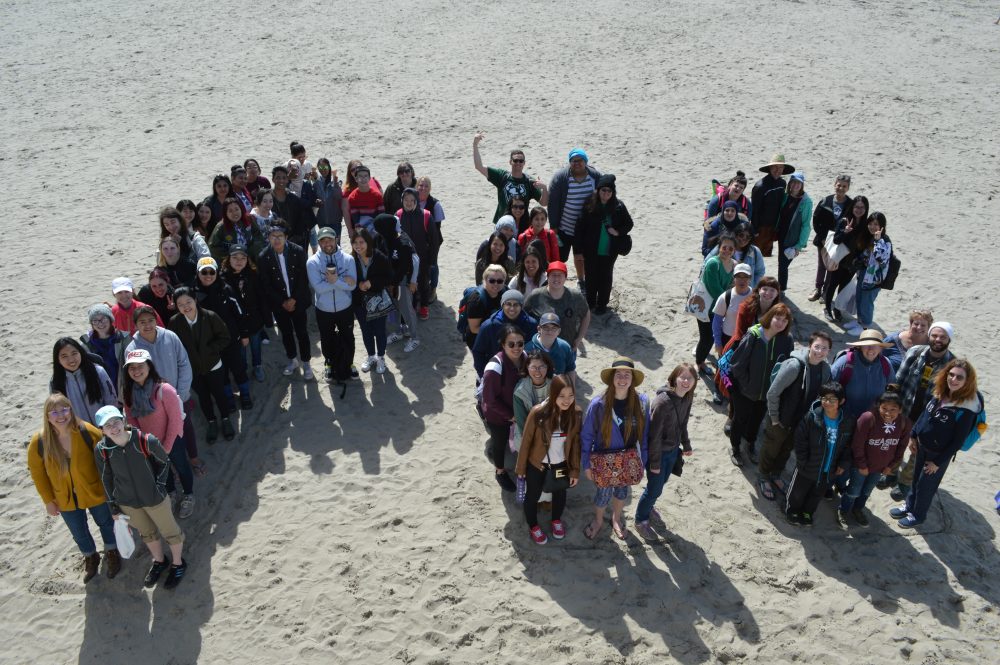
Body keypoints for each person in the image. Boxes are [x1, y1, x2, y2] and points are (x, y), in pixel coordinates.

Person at [93, 406, 187, 589]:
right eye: (107, 425)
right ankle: (160, 561)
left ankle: (178, 563)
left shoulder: (146, 441)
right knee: (147, 534)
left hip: (155, 499)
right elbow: (106, 478)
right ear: (102, 430)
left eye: (116, 421)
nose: (114, 427)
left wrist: (158, 487)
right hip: (128, 503)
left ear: (123, 420)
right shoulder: (102, 450)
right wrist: (113, 506)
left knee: (171, 532)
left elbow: (164, 463)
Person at [28, 394, 120, 582]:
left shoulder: (86, 431)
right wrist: (48, 500)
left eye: (64, 409)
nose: (60, 415)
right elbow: (38, 474)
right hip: (64, 497)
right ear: (47, 416)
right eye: (54, 412)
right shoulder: (39, 442)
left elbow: (107, 456)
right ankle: (90, 556)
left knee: (106, 523)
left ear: (71, 410)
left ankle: (112, 552)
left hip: (94, 490)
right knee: (79, 531)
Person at [890, 359, 983, 528]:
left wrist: (937, 463)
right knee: (915, 480)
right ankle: (909, 506)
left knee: (926, 487)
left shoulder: (966, 409)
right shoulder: (941, 393)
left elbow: (957, 442)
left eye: (959, 378)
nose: (953, 380)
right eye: (951, 374)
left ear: (967, 381)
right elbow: (924, 416)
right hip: (921, 447)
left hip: (937, 456)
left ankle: (918, 515)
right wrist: (913, 435)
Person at [758, 331, 833, 499]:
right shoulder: (794, 366)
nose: (820, 351)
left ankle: (776, 474)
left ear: (829, 351)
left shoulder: (825, 370)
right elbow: (773, 393)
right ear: (809, 346)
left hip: (801, 422)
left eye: (825, 348)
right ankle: (763, 477)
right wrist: (775, 418)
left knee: (786, 450)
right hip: (780, 420)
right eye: (817, 347)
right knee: (771, 448)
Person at [125, 307, 200, 476]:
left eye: (150, 320)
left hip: (179, 395)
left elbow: (184, 363)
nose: (147, 325)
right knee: (165, 433)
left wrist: (179, 394)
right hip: (154, 402)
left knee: (185, 427)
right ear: (135, 325)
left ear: (156, 320)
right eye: (142, 322)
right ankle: (172, 464)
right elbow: (133, 376)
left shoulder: (170, 337)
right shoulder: (131, 348)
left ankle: (194, 459)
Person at [885, 321, 956, 499]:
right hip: (906, 408)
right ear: (929, 336)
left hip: (928, 416)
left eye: (943, 337)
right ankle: (891, 473)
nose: (938, 339)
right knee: (896, 442)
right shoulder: (915, 352)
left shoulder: (952, 365)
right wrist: (892, 404)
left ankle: (905, 482)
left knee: (917, 451)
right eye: (934, 335)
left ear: (949, 339)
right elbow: (899, 379)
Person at [580, 357, 649, 540]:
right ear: (612, 378)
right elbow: (586, 436)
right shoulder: (598, 404)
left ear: (632, 379)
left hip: (628, 459)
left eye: (627, 374)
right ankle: (598, 520)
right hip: (603, 459)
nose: (623, 378)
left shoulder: (641, 402)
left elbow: (644, 436)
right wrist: (586, 464)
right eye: (618, 374)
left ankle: (617, 519)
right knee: (602, 494)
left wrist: (643, 462)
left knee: (622, 492)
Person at [121, 349, 195, 520]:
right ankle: (171, 492)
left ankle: (189, 494)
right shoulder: (128, 393)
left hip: (172, 440)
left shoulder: (164, 389)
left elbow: (176, 421)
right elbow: (132, 419)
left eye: (140, 366)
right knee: (162, 470)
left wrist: (166, 447)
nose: (136, 370)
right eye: (131, 367)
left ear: (149, 366)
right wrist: (143, 442)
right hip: (150, 443)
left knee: (182, 466)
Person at [515, 375, 582, 545]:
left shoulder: (576, 413)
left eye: (571, 395)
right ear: (553, 395)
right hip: (537, 464)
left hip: (561, 464)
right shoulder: (538, 412)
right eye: (561, 396)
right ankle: (533, 525)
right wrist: (521, 469)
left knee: (560, 492)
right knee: (533, 495)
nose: (567, 400)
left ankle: (556, 520)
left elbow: (575, 444)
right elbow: (526, 442)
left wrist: (574, 470)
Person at [727, 303, 794, 466]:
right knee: (740, 420)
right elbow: (737, 365)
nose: (780, 323)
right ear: (770, 316)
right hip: (744, 391)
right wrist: (747, 385)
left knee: (756, 420)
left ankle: (750, 444)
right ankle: (735, 447)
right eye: (777, 318)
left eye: (784, 321)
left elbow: (787, 366)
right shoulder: (754, 335)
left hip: (767, 394)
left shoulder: (786, 340)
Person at [634, 363, 696, 541]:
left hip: (673, 451)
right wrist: (653, 463)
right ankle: (640, 520)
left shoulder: (687, 397)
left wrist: (687, 444)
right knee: (654, 488)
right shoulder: (662, 402)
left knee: (660, 486)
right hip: (658, 454)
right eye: (682, 377)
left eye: (689, 378)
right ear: (674, 378)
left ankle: (649, 505)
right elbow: (653, 436)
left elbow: (683, 423)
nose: (685, 381)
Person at [167, 288, 236, 442]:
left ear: (195, 300)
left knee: (219, 394)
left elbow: (225, 337)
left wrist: (210, 349)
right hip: (191, 370)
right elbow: (172, 346)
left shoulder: (210, 316)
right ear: (176, 306)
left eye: (188, 301)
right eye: (180, 304)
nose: (186, 306)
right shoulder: (174, 322)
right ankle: (211, 422)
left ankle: (225, 419)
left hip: (213, 365)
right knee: (203, 397)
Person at [837, 388, 912, 528]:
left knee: (866, 492)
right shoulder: (868, 418)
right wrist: (862, 465)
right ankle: (843, 510)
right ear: (878, 406)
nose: (888, 413)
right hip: (861, 466)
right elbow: (857, 445)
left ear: (900, 410)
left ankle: (858, 509)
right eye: (884, 408)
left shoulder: (904, 423)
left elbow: (901, 447)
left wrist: (891, 466)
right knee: (854, 491)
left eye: (893, 409)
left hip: (881, 467)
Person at [785, 382, 856, 526]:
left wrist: (843, 463)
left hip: (829, 469)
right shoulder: (812, 417)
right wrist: (803, 460)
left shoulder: (847, 421)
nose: (827, 402)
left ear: (841, 401)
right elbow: (800, 439)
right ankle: (792, 510)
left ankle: (807, 512)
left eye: (832, 399)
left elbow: (848, 445)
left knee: (817, 494)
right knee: (798, 491)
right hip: (807, 466)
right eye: (824, 398)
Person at [713, 276, 782, 412]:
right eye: (765, 289)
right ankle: (729, 403)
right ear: (758, 290)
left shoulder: (779, 311)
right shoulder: (746, 306)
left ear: (777, 293)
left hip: (764, 351)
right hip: (741, 346)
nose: (768, 293)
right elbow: (740, 334)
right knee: (726, 372)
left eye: (772, 290)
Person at [192, 257, 252, 411]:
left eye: (211, 271)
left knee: (238, 368)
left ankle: (245, 394)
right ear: (198, 274)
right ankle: (229, 398)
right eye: (203, 272)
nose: (208, 275)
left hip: (231, 339)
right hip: (210, 344)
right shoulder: (194, 294)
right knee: (221, 373)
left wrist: (244, 334)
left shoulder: (226, 289)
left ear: (216, 272)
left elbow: (239, 312)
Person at [257, 222, 313, 379]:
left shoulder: (297, 251)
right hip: (279, 304)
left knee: (302, 332)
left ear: (286, 237)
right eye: (273, 236)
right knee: (286, 333)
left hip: (298, 301)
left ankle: (306, 363)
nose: (276, 240)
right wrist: (283, 302)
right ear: (268, 237)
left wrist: (294, 299)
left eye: (280, 236)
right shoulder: (263, 257)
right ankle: (293, 360)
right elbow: (266, 284)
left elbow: (303, 278)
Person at [308, 227, 357, 385]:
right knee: (326, 338)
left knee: (348, 336)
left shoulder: (348, 259)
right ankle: (329, 363)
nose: (327, 243)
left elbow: (352, 286)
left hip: (345, 306)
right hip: (324, 308)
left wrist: (334, 281)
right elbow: (319, 288)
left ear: (336, 239)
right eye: (322, 240)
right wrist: (341, 281)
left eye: (329, 239)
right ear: (319, 242)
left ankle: (349, 362)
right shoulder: (313, 262)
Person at [579, 174, 634, 314]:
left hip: (610, 250)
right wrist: (578, 249)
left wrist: (618, 232)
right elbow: (580, 227)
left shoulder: (619, 206)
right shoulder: (589, 204)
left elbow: (629, 223)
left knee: (605, 277)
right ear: (598, 190)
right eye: (603, 190)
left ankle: (602, 304)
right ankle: (590, 302)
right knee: (591, 276)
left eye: (609, 191)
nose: (606, 193)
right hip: (591, 249)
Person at [481, 325, 527, 492]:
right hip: (498, 415)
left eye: (520, 343)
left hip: (518, 411)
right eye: (511, 344)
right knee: (499, 443)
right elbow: (489, 399)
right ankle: (500, 471)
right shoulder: (495, 367)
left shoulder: (525, 358)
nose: (517, 348)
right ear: (503, 344)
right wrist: (511, 416)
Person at [548, 148, 602, 287]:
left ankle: (581, 280)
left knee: (580, 257)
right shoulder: (561, 178)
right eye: (573, 161)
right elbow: (553, 203)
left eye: (580, 160)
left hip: (584, 228)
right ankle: (555, 280)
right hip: (564, 227)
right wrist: (554, 227)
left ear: (586, 162)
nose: (576, 163)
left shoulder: (595, 176)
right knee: (559, 257)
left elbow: (605, 195)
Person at [472, 132, 548, 223]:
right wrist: (475, 145)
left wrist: (544, 188)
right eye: (515, 160)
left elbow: (544, 203)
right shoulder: (502, 176)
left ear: (524, 163)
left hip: (522, 224)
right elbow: (479, 166)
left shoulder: (529, 181)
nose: (518, 163)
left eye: (521, 161)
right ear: (510, 162)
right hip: (504, 222)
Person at [373, 213, 420, 353]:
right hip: (390, 282)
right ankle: (398, 332)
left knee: (407, 310)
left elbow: (414, 261)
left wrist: (412, 281)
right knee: (394, 309)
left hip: (402, 282)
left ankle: (415, 338)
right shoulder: (384, 239)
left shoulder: (403, 242)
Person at [523, 260, 590, 357]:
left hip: (568, 348)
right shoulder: (536, 295)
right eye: (553, 275)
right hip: (541, 350)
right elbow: (524, 315)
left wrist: (579, 338)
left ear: (565, 277)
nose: (557, 278)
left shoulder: (575, 296)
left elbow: (586, 314)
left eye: (560, 275)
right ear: (548, 276)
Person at [221, 245, 267, 382]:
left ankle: (257, 366)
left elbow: (261, 297)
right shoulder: (223, 277)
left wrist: (265, 318)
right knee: (240, 349)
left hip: (254, 320)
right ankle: (242, 369)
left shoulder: (253, 274)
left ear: (248, 259)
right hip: (236, 323)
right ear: (229, 259)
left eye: (243, 258)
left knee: (255, 345)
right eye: (235, 257)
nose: (239, 261)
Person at [351, 228, 393, 375]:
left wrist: (371, 282)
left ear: (368, 242)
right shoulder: (351, 259)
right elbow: (349, 280)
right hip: (360, 303)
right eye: (355, 242)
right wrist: (357, 284)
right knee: (366, 331)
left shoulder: (379, 257)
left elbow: (389, 277)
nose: (358, 246)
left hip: (378, 301)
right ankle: (371, 356)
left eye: (361, 242)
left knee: (380, 331)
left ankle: (381, 357)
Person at [694, 233, 736, 376]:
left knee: (715, 337)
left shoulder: (734, 265)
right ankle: (699, 362)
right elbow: (715, 290)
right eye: (724, 247)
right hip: (706, 308)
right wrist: (731, 304)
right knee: (707, 338)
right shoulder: (713, 263)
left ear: (734, 250)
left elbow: (732, 286)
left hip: (721, 309)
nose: (727, 251)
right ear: (719, 248)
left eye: (731, 249)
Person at [50, 337, 117, 426]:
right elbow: (58, 412)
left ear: (81, 353)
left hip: (106, 428)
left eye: (74, 353)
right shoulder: (55, 382)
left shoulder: (98, 371)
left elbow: (111, 400)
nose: (71, 360)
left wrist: (108, 425)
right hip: (79, 433)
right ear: (57, 360)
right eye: (64, 356)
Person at [823, 195, 869, 322]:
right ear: (852, 207)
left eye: (862, 207)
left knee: (843, 288)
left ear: (866, 209)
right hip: (839, 260)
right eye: (856, 207)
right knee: (832, 285)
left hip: (852, 264)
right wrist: (845, 232)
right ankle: (827, 308)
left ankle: (837, 309)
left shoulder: (865, 225)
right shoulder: (845, 221)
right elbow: (836, 240)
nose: (859, 210)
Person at [472, 290, 538, 377]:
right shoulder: (489, 325)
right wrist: (485, 374)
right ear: (502, 305)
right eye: (508, 304)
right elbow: (478, 352)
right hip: (496, 371)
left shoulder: (531, 324)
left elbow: (534, 350)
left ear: (521, 306)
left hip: (522, 373)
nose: (512, 308)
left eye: (516, 305)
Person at [396, 187, 439, 320]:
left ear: (416, 201)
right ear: (402, 200)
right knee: (408, 282)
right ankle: (413, 305)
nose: (408, 203)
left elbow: (434, 240)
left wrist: (432, 260)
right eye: (406, 200)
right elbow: (394, 237)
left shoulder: (425, 215)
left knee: (423, 281)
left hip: (422, 257)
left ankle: (424, 306)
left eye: (412, 200)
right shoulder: (398, 215)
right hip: (405, 257)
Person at [809, 174, 852, 301]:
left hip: (839, 241)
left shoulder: (850, 204)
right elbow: (816, 220)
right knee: (821, 265)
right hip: (823, 240)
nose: (841, 188)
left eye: (844, 186)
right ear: (835, 185)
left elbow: (852, 222)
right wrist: (822, 237)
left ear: (848, 188)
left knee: (832, 267)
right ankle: (818, 289)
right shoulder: (825, 201)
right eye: (839, 185)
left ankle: (826, 292)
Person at [831, 329, 893, 418]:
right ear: (860, 347)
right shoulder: (845, 362)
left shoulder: (886, 364)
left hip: (873, 419)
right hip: (845, 418)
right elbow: (829, 388)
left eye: (875, 345)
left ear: (880, 348)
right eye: (866, 345)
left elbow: (892, 389)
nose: (871, 349)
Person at [853, 212, 893, 329]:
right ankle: (859, 321)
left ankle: (865, 326)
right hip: (864, 273)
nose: (872, 226)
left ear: (882, 226)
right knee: (859, 298)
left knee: (867, 303)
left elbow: (881, 258)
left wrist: (878, 241)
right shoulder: (868, 237)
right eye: (870, 223)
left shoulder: (885, 241)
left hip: (874, 278)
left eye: (876, 224)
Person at [775, 171, 814, 292]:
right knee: (781, 264)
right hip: (782, 236)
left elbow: (806, 225)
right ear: (790, 184)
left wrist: (799, 246)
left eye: (799, 183)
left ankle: (781, 290)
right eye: (794, 182)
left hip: (793, 239)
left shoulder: (806, 202)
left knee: (783, 265)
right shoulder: (785, 196)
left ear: (802, 185)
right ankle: (781, 288)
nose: (796, 185)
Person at [750, 154, 794, 256]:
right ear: (770, 168)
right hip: (761, 228)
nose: (777, 170)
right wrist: (755, 229)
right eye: (775, 167)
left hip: (773, 227)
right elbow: (755, 209)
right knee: (755, 256)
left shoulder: (782, 183)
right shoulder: (760, 186)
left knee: (766, 255)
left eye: (780, 167)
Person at [80, 303, 130, 391]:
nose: (100, 323)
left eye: (104, 319)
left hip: (123, 387)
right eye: (95, 320)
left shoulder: (124, 339)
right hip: (99, 388)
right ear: (91, 323)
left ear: (111, 320)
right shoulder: (86, 344)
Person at [711, 263, 753, 362]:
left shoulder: (755, 296)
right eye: (738, 276)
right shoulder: (725, 297)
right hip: (728, 338)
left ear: (750, 278)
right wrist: (718, 343)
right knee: (724, 369)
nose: (742, 280)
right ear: (734, 278)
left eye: (745, 277)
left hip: (748, 339)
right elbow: (716, 322)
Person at [270, 165, 315, 249]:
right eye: (278, 177)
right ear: (273, 179)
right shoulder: (267, 197)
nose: (281, 180)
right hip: (272, 241)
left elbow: (300, 220)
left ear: (287, 180)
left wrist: (294, 238)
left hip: (292, 241)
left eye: (284, 178)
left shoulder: (294, 199)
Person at [464, 264, 508, 350]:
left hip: (498, 335)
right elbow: (474, 328)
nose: (496, 284)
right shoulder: (476, 300)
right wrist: (500, 330)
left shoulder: (505, 291)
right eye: (492, 281)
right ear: (484, 280)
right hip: (478, 339)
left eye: (500, 281)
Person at [208, 197, 265, 264]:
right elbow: (212, 247)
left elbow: (258, 236)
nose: (235, 213)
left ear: (241, 209)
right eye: (230, 211)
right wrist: (231, 255)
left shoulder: (249, 219)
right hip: (230, 262)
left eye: (236, 209)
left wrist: (251, 251)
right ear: (225, 213)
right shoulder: (221, 227)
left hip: (249, 258)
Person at [415, 175, 445, 302]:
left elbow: (437, 227)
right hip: (415, 239)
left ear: (430, 188)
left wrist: (431, 243)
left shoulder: (435, 204)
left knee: (432, 265)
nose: (423, 188)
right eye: (421, 185)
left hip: (432, 241)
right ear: (416, 187)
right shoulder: (412, 200)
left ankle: (433, 289)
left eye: (426, 185)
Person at [524, 312, 576, 382]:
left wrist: (571, 389)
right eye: (546, 327)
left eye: (554, 328)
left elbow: (570, 369)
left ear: (559, 331)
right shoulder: (528, 348)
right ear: (539, 329)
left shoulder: (565, 347)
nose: (550, 331)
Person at [342, 164, 384, 236]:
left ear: (369, 178)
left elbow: (381, 214)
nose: (363, 179)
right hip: (361, 228)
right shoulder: (352, 197)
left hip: (375, 227)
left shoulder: (377, 195)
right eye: (360, 176)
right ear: (356, 179)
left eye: (365, 176)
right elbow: (355, 216)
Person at [314, 158, 344, 241]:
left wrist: (335, 183)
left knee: (336, 245)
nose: (323, 170)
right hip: (322, 220)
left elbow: (338, 196)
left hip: (335, 220)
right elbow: (313, 197)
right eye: (320, 168)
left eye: (325, 168)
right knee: (324, 245)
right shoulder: (316, 182)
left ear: (329, 167)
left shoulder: (337, 180)